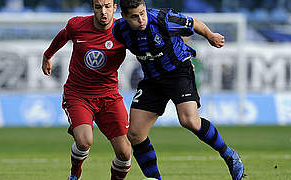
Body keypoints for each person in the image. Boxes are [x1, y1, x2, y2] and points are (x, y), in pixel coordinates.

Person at [112, 0, 245, 180]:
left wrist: (210, 35)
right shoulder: (119, 29)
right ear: (125, 17)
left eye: (142, 13)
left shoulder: (162, 18)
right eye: (134, 17)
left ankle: (229, 155)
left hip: (178, 71)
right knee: (135, 134)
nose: (141, 20)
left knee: (189, 120)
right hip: (152, 80)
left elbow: (193, 22)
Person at [42, 0, 131, 179]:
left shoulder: (125, 31)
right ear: (93, 8)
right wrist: (47, 55)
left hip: (110, 96)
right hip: (78, 95)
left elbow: (148, 48)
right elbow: (63, 36)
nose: (103, 12)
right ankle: (75, 175)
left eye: (107, 6)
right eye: (98, 7)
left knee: (124, 153)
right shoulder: (77, 25)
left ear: (115, 8)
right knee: (84, 141)